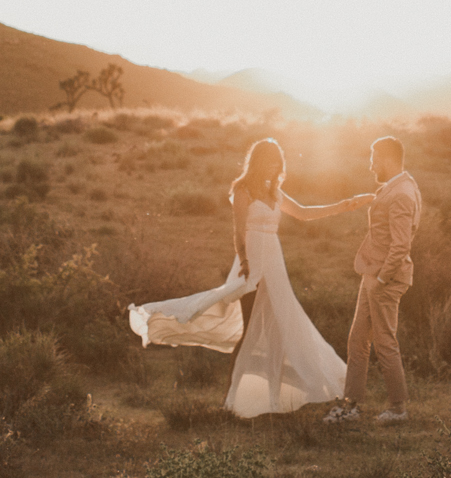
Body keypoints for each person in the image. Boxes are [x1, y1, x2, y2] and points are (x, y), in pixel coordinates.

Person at [127, 138, 373, 417]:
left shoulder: (276, 193)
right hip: (251, 265)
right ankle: (231, 401)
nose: (273, 166)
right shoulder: (242, 190)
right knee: (247, 332)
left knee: (285, 325)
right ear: (256, 162)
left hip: (275, 266)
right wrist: (244, 259)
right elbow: (238, 229)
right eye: (268, 161)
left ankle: (277, 398)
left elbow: (304, 214)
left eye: (277, 162)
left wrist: (348, 204)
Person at [325, 134, 422, 425]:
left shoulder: (402, 193)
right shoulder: (398, 186)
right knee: (358, 341)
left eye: (373, 159)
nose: (370, 166)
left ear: (388, 159)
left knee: (384, 342)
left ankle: (397, 409)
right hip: (373, 274)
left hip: (384, 279)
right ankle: (351, 405)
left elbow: (401, 244)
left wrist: (381, 278)